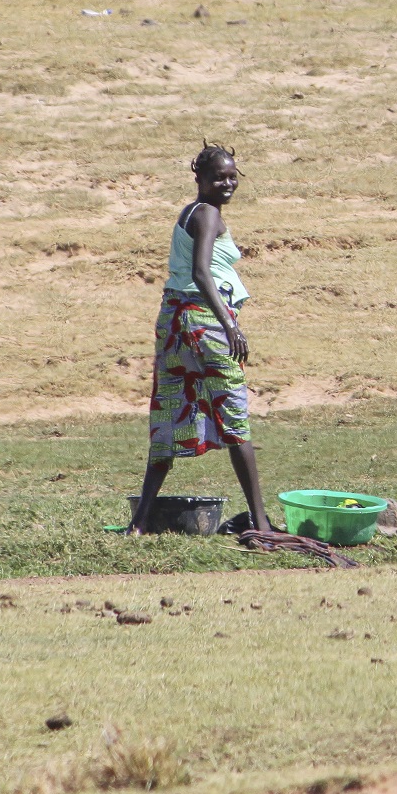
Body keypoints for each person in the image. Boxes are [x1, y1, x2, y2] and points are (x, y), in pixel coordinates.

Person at [126, 143, 272, 535]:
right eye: (218, 177)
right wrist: (231, 326)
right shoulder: (207, 215)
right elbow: (202, 272)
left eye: (232, 176)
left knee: (167, 415)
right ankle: (261, 522)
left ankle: (138, 523)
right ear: (200, 180)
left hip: (173, 321)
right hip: (204, 324)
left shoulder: (189, 213)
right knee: (236, 416)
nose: (227, 184)